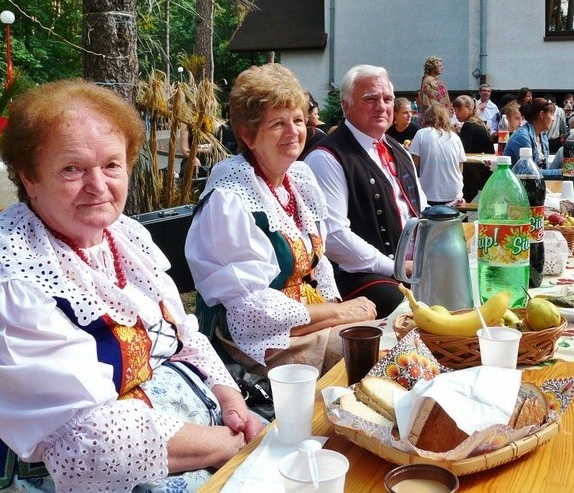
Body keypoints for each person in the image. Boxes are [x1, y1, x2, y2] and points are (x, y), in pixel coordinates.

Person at [0, 79, 264, 491]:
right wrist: (230, 444)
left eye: (112, 165)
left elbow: (183, 333)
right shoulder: (7, 289)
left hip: (188, 437)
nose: (98, 186)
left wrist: (230, 400)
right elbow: (97, 441)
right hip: (63, 476)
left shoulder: (123, 237)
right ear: (29, 178)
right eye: (72, 168)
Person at [186, 64, 377, 377]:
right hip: (253, 341)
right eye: (277, 124)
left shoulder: (297, 180)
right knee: (369, 355)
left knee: (385, 335)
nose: (293, 132)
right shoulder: (230, 200)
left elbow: (319, 266)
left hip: (300, 322)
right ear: (247, 135)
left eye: (298, 120)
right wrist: (336, 313)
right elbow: (249, 313)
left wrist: (341, 309)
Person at [305, 64, 427, 319]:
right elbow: (334, 238)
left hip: (410, 270)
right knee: (402, 306)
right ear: (346, 105)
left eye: (387, 99)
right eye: (370, 99)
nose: (382, 106)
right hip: (355, 277)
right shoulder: (325, 157)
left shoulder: (400, 150)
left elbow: (421, 210)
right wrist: (395, 267)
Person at [409, 104, 466, 206]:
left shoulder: (421, 134)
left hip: (429, 193)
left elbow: (412, 166)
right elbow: (460, 168)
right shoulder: (455, 137)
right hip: (455, 193)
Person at [503, 98, 561, 179]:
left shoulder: (542, 136)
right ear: (542, 114)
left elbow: (544, 168)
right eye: (551, 114)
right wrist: (561, 172)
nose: (553, 119)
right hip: (519, 185)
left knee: (563, 151)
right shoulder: (522, 137)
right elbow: (529, 171)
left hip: (537, 183)